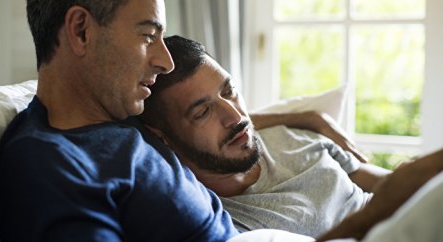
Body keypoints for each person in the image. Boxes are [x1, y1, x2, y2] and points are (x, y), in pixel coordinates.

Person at [0, 0, 241, 241]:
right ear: (81, 31)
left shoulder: (127, 112)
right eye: (149, 36)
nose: (166, 62)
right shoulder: (49, 165)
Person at [140, 35, 443, 241]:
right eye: (202, 112)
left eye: (229, 91)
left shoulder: (291, 136)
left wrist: (305, 118)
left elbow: (385, 184)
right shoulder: (210, 214)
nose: (236, 116)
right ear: (162, 138)